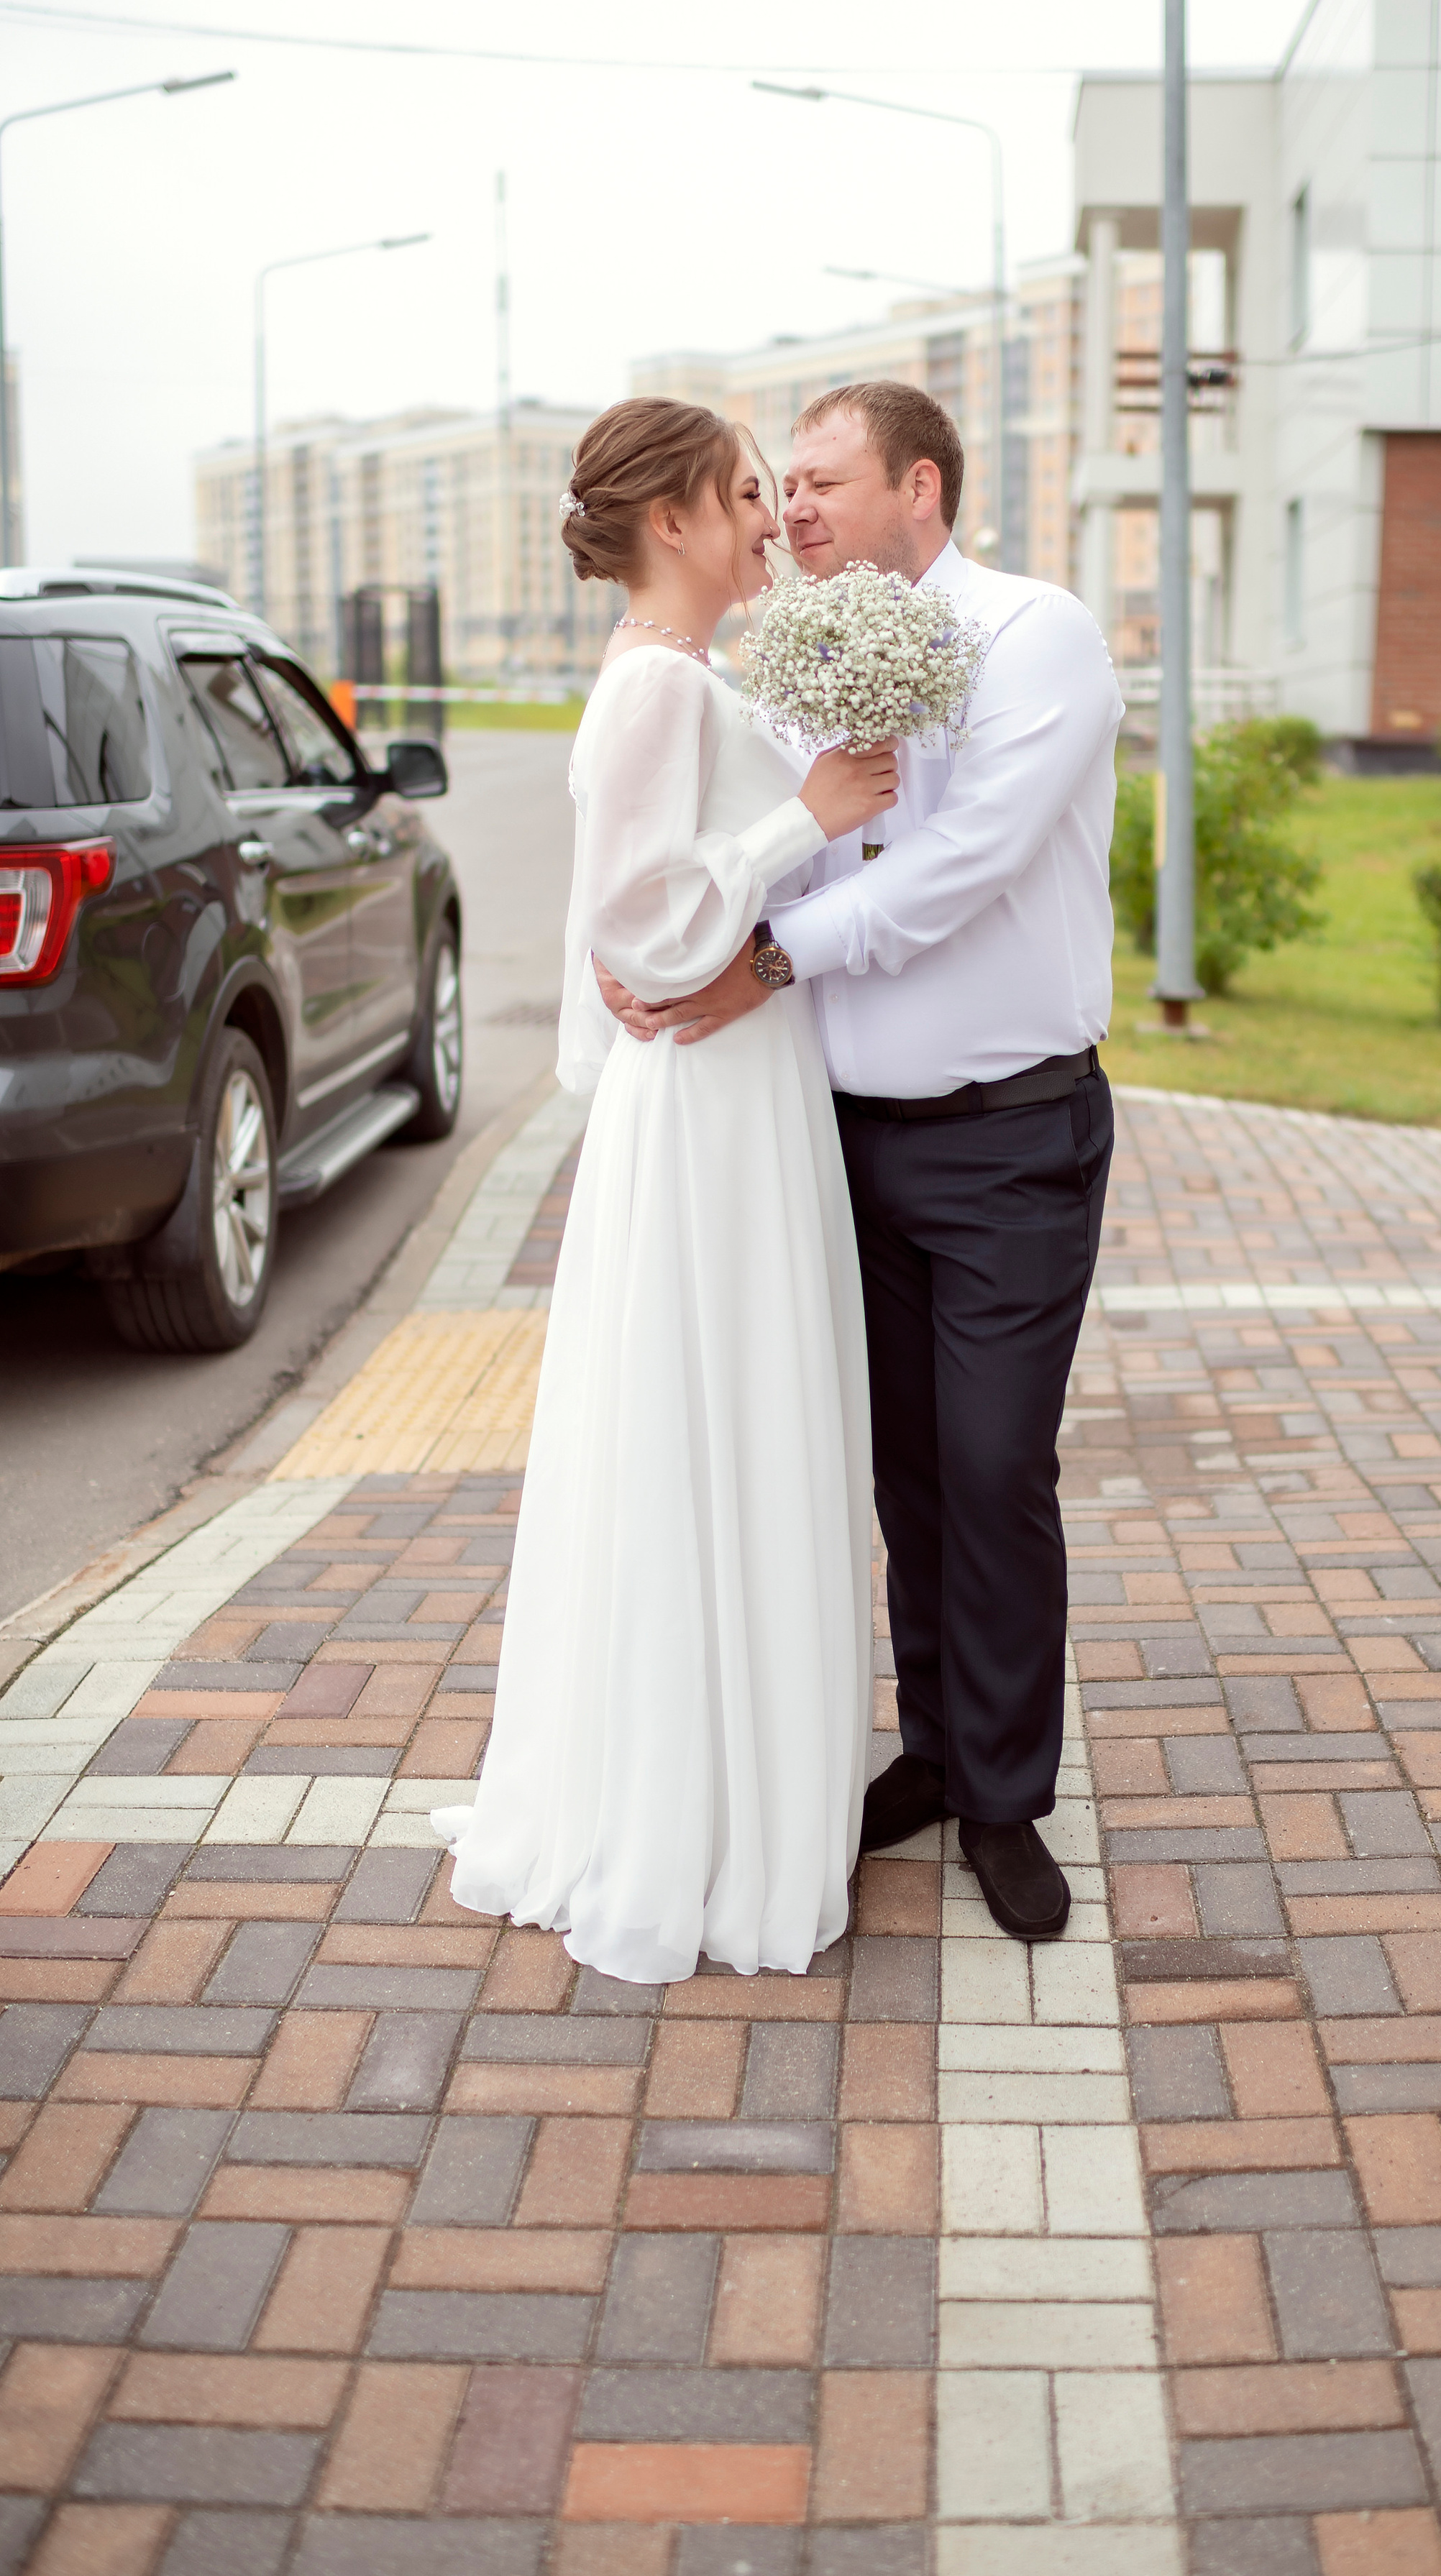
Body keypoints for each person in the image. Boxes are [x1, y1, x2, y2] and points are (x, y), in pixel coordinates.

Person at [600, 382, 1121, 1941]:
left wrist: (754, 967)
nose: (795, 510)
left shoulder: (1037, 636)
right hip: (838, 1148)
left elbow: (962, 865)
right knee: (901, 1475)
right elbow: (733, 836)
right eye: (781, 487)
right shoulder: (805, 660)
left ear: (919, 484)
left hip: (1010, 1136)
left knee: (991, 1467)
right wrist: (674, 938)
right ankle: (939, 1753)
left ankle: (1008, 1803)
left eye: (822, 482)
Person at [431, 398, 898, 1984]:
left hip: (731, 1092)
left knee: (740, 1417)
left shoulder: (692, 676)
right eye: (748, 496)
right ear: (676, 519)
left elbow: (643, 932)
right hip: (703, 1103)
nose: (772, 519)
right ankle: (688, 1819)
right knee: (709, 1425)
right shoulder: (648, 687)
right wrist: (806, 818)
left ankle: (742, 1791)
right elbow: (638, 929)